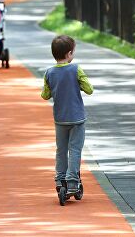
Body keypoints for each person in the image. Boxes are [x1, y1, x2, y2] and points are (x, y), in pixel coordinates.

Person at [41, 35, 93, 193]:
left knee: (61, 150)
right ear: (69, 53)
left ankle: (60, 179)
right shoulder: (76, 69)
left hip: (60, 118)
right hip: (77, 118)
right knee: (75, 149)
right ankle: (72, 182)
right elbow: (89, 89)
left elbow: (45, 95)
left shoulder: (49, 73)